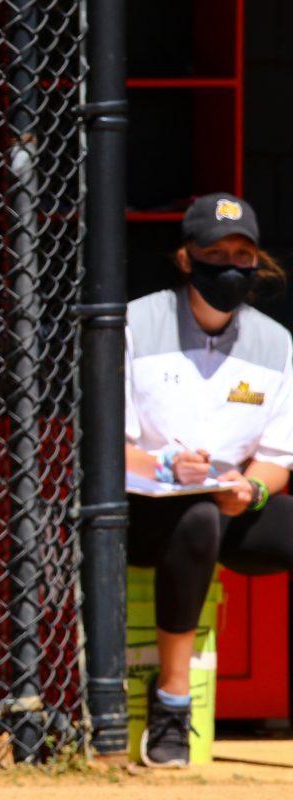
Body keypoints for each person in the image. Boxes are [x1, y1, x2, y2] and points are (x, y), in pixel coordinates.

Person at [125, 192, 293, 768]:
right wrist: (167, 467)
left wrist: (254, 489)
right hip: (144, 512)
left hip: (229, 505)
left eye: (241, 253)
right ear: (186, 257)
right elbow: (109, 450)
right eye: (213, 252)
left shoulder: (275, 341)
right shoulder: (134, 321)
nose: (229, 265)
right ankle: (171, 707)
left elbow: (277, 456)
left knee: (226, 514)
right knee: (194, 518)